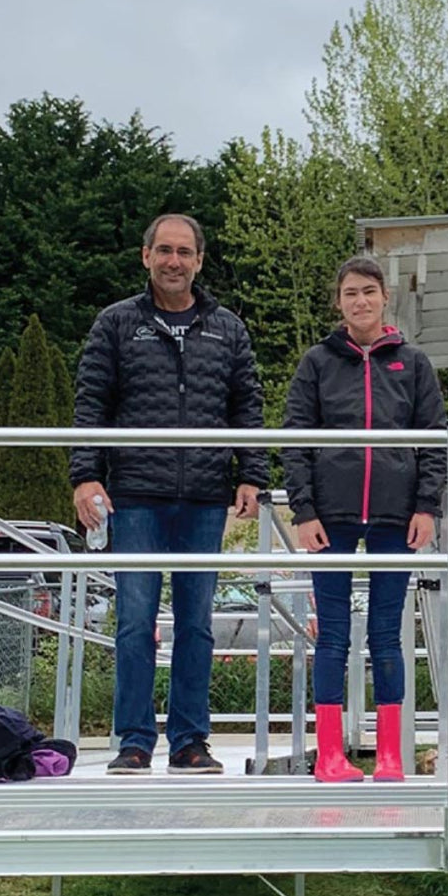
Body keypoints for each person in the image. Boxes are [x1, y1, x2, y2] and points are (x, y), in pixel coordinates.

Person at [72, 214, 268, 776]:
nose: (174, 261)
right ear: (146, 256)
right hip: (134, 496)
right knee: (133, 622)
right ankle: (133, 741)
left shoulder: (227, 328)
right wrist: (85, 476)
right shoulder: (115, 324)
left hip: (205, 496)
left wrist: (251, 472)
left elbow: (246, 406)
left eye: (184, 252)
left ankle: (189, 741)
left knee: (198, 623)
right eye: (164, 250)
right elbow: (91, 404)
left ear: (200, 261)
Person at [283, 256, 446, 783]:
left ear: (384, 297)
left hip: (396, 516)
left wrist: (427, 506)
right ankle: (330, 754)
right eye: (350, 292)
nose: (360, 301)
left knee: (387, 635)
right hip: (330, 515)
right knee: (332, 636)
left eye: (369, 291)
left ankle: (391, 756)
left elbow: (433, 441)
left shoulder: (413, 363)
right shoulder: (317, 363)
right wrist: (303, 511)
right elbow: (296, 440)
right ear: (339, 302)